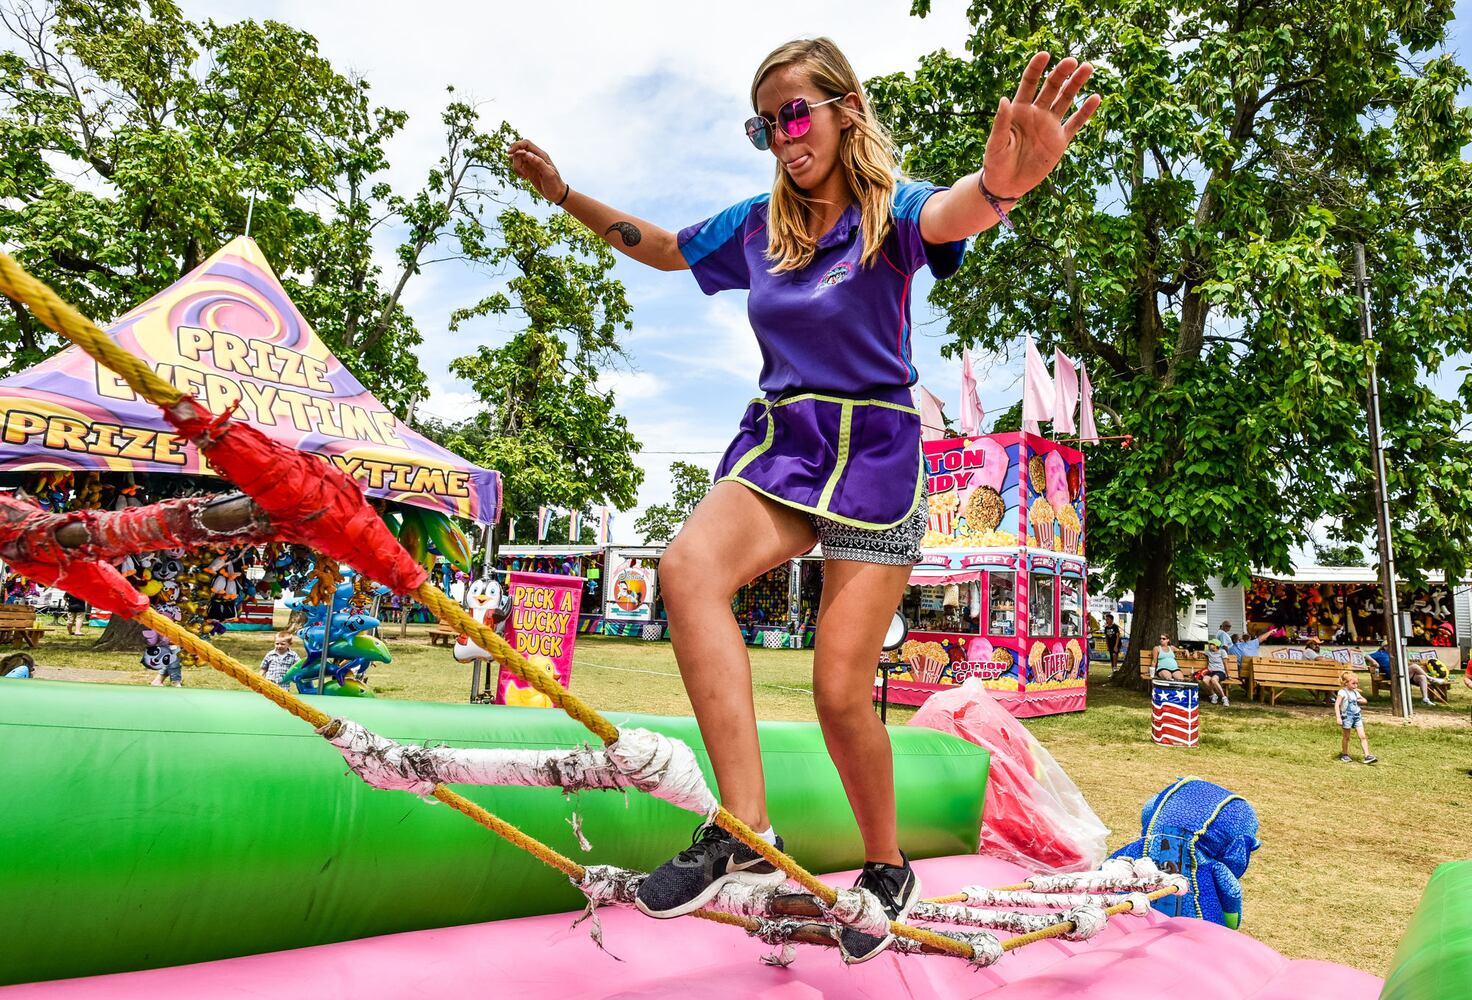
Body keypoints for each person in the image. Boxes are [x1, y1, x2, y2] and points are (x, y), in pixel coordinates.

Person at [509, 37, 1098, 963]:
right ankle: (745, 831)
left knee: (836, 692)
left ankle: (886, 863)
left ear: (844, 108)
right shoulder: (759, 225)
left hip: (876, 453)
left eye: (795, 113)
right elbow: (663, 249)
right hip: (786, 443)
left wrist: (1001, 187)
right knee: (685, 569)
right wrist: (563, 195)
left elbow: (951, 215)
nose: (782, 136)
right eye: (765, 123)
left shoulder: (890, 214)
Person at [1369, 643, 1448, 707]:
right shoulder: (1380, 653)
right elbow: (1367, 656)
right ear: (1384, 647)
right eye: (1388, 646)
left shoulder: (1394, 653)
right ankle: (1431, 678)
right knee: (1414, 666)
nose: (1390, 647)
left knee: (1421, 677)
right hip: (1394, 675)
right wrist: (1373, 661)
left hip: (1404, 673)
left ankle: (1425, 699)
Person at [1334, 670, 1376, 764]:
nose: (1356, 686)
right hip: (1347, 717)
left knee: (1363, 736)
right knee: (1346, 736)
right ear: (1346, 683)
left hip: (1357, 717)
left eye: (1357, 683)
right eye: (1353, 683)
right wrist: (1338, 717)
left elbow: (1364, 700)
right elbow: (1337, 705)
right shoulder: (1342, 692)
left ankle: (1367, 756)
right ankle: (1345, 754)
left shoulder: (1355, 692)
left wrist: (1359, 699)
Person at [1202, 639, 1230, 706]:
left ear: (1216, 645)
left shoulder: (1222, 652)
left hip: (1220, 672)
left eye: (1211, 644)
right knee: (1204, 680)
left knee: (1213, 680)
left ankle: (1224, 698)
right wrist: (1195, 653)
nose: (1209, 645)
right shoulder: (1208, 652)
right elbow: (1199, 652)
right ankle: (1213, 695)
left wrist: (1228, 675)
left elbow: (1225, 663)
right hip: (1211, 671)